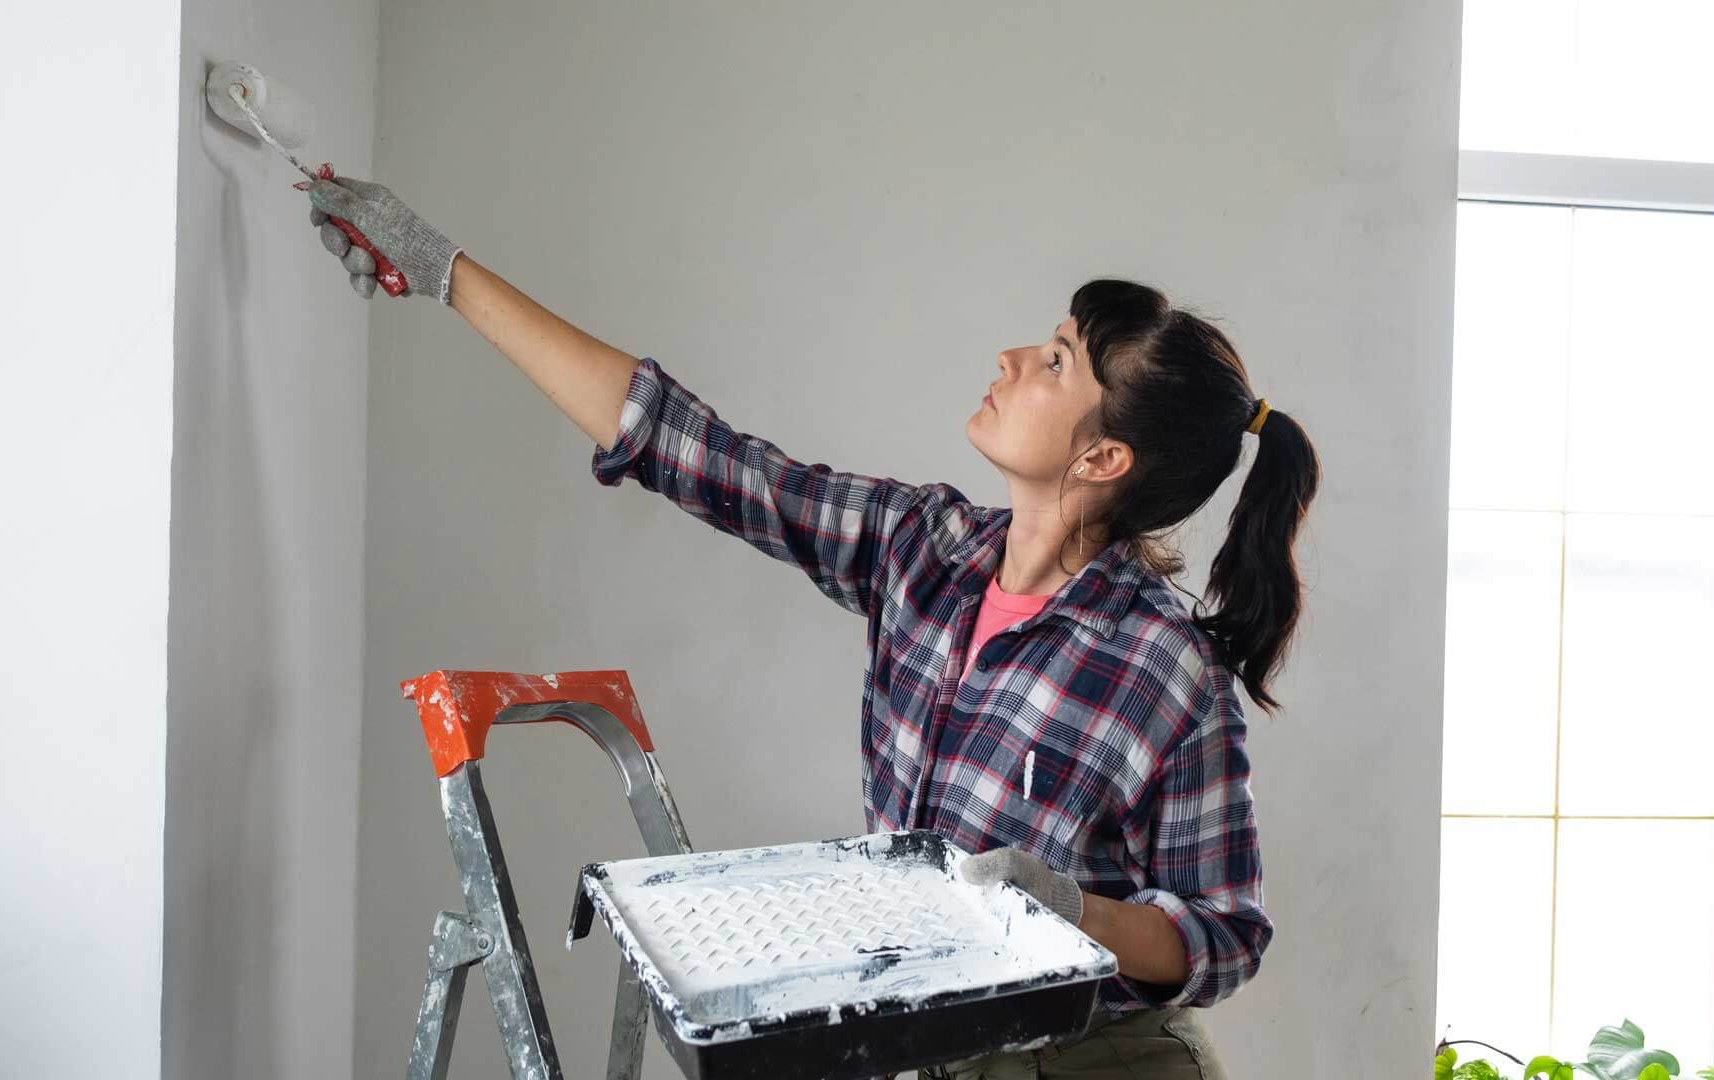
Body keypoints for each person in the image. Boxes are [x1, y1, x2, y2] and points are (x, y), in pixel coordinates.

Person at [304, 174, 1321, 1079]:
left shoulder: (1165, 668)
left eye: (1053, 361)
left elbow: (1223, 934)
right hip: (936, 1051)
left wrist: (1074, 911)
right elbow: (694, 450)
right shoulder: (920, 550)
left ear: (1103, 461)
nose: (1009, 359)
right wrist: (445, 273)